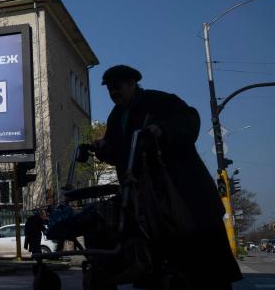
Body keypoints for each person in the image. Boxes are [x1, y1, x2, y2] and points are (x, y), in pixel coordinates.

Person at [91, 65, 242, 289]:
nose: (114, 93)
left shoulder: (160, 102)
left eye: (118, 87)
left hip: (181, 189)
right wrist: (104, 148)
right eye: (110, 90)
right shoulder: (117, 117)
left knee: (202, 252)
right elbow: (122, 154)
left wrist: (161, 130)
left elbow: (189, 121)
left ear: (132, 84)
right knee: (156, 250)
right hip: (145, 196)